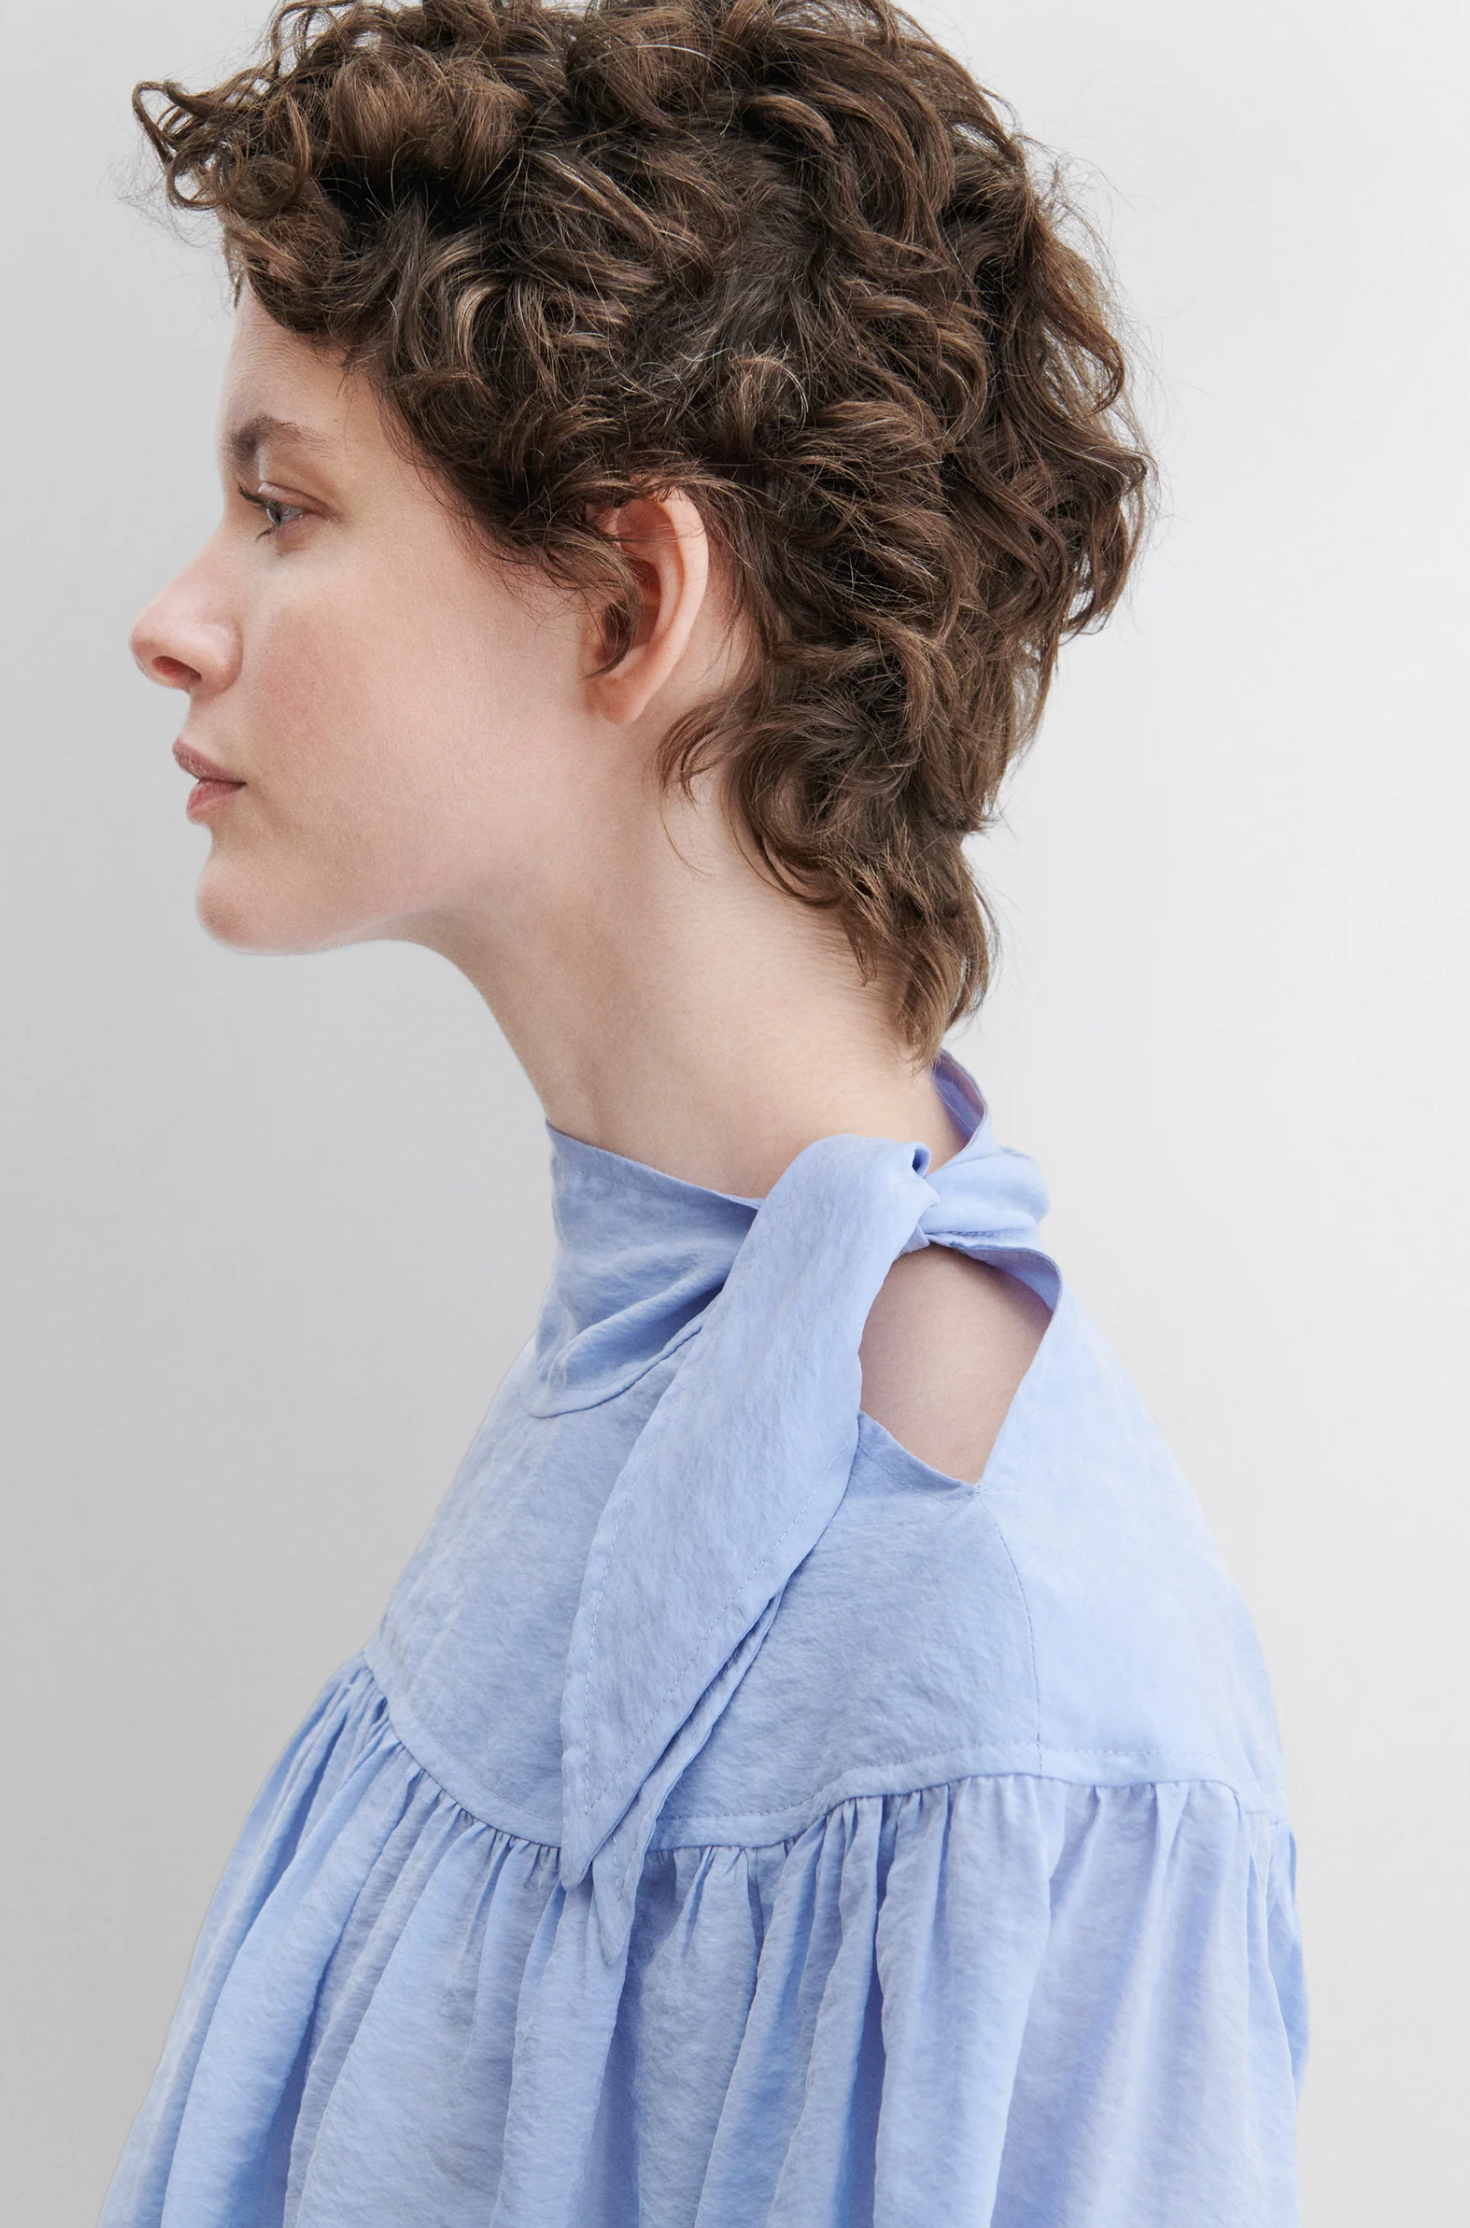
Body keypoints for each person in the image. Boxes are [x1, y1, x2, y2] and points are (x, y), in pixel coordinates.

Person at [102, 1, 1307, 2221]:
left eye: (283, 505)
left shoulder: (1014, 1691)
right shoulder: (639, 1368)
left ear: (637, 603)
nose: (174, 621)